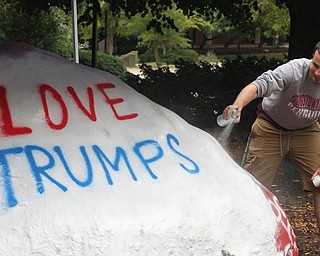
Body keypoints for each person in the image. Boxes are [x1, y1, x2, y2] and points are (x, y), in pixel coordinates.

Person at [221, 41, 320, 232]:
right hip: (270, 127)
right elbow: (258, 85)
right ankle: (246, 236)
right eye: (315, 65)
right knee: (254, 186)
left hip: (307, 132)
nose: (317, 73)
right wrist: (237, 105)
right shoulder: (294, 70)